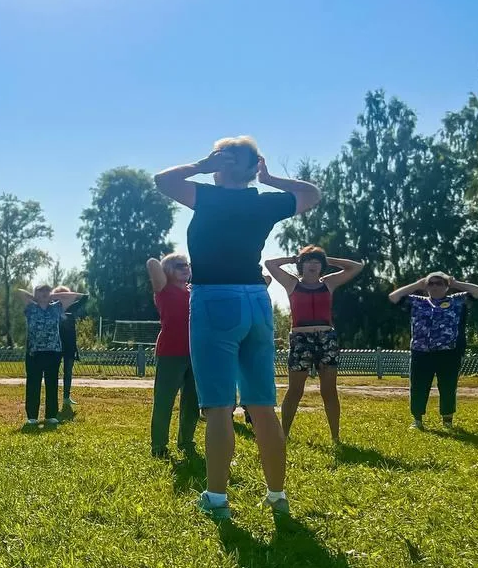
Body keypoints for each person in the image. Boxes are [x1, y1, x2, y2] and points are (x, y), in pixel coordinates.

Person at [155, 138, 320, 519]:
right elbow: (311, 194)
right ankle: (277, 495)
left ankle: (216, 499)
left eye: (221, 157)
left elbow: (163, 180)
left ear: (222, 164)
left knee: (218, 407)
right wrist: (269, 176)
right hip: (257, 302)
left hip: (215, 300)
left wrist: (200, 164)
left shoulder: (208, 196)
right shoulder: (263, 202)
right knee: (262, 405)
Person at [266, 247, 365, 443]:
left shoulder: (329, 283)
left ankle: (335, 437)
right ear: (301, 265)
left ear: (322, 266)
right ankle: (283, 435)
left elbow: (356, 267)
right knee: (295, 390)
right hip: (300, 340)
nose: (313, 265)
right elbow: (270, 264)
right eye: (309, 261)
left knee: (329, 390)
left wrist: (327, 259)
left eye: (317, 262)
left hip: (326, 339)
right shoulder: (291, 283)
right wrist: (295, 258)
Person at [389, 272, 478, 429]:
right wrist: (417, 285)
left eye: (439, 283)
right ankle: (417, 420)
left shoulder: (457, 300)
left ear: (446, 286)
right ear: (426, 286)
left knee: (448, 386)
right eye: (431, 283)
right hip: (421, 352)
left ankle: (447, 421)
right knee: (418, 386)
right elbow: (393, 297)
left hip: (448, 352)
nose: (435, 286)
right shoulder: (417, 301)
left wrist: (456, 283)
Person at [147, 253, 198, 457]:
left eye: (187, 265)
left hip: (195, 352)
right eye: (179, 265)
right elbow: (152, 263)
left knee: (192, 401)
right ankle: (159, 445)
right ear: (168, 270)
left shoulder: (193, 291)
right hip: (170, 352)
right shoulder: (163, 290)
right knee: (164, 401)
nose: (185, 268)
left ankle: (186, 441)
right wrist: (167, 268)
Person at [16, 284, 68, 428]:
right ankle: (32, 416)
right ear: (35, 294)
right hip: (34, 352)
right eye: (41, 291)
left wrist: (53, 296)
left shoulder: (57, 307)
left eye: (46, 290)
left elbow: (76, 297)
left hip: (53, 351)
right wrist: (36, 298)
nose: (44, 293)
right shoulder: (31, 308)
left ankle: (51, 415)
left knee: (52, 383)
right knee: (33, 383)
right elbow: (19, 291)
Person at [51, 285, 88, 413]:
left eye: (65, 296)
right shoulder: (52, 308)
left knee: (68, 372)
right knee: (54, 372)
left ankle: (66, 397)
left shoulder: (73, 308)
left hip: (70, 345)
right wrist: (55, 296)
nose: (63, 299)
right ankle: (53, 397)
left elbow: (85, 297)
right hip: (56, 345)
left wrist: (70, 295)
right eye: (60, 296)